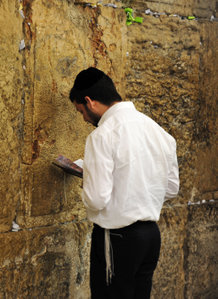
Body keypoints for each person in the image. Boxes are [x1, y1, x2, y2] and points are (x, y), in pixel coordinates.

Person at [69, 67, 179, 299]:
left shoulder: (102, 135)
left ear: (89, 101)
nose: (85, 119)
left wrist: (88, 175)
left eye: (81, 111)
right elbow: (171, 189)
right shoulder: (158, 132)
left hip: (117, 238)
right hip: (150, 236)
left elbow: (97, 198)